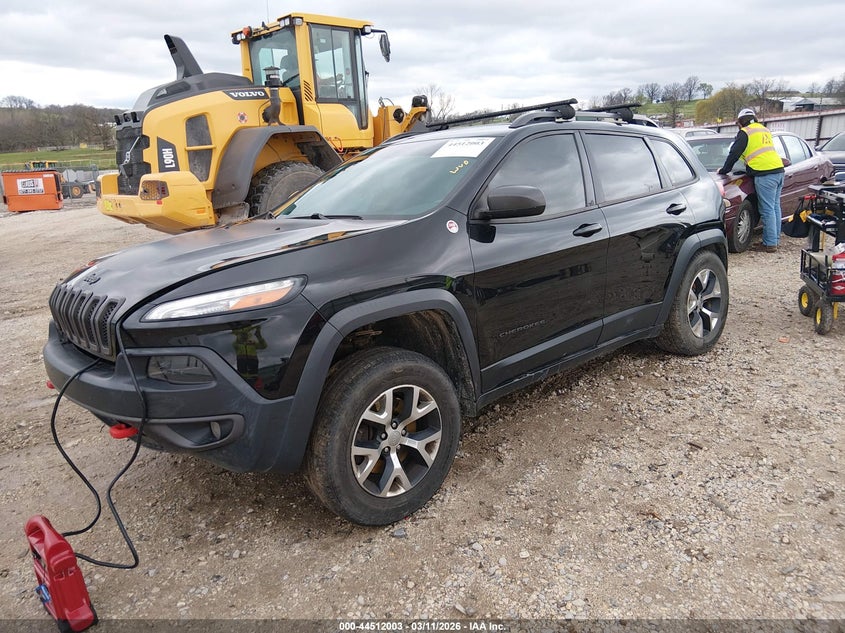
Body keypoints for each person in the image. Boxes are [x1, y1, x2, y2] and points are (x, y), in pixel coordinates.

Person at [718, 107, 785, 253]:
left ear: (740, 122)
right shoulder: (764, 130)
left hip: (764, 174)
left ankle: (770, 244)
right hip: (778, 170)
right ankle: (775, 239)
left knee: (767, 209)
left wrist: (724, 170)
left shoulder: (745, 132)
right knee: (774, 207)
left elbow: (734, 153)